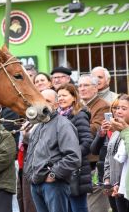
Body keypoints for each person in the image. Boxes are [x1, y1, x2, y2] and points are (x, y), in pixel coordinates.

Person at [24, 88, 82, 212]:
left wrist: (53, 174)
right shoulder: (38, 125)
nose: (42, 104)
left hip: (54, 184)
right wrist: (31, 176)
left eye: (47, 101)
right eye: (40, 100)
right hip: (36, 183)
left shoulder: (63, 125)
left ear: (56, 105)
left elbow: (73, 157)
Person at [57, 84, 93, 212]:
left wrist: (71, 157)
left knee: (78, 208)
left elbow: (87, 142)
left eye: (64, 95)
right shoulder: (57, 117)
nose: (60, 98)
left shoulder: (79, 115)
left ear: (74, 97)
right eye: (59, 96)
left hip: (77, 171)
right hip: (62, 170)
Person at [78, 74, 111, 212]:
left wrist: (73, 125)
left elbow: (94, 130)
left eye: (86, 85)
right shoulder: (79, 105)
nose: (82, 89)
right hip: (82, 162)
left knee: (95, 207)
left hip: (95, 161)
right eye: (79, 86)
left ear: (95, 88)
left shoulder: (102, 105)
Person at [102, 94, 129, 212]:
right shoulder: (116, 131)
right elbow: (109, 157)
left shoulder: (123, 130)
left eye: (124, 108)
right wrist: (108, 180)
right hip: (116, 186)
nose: (118, 111)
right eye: (117, 108)